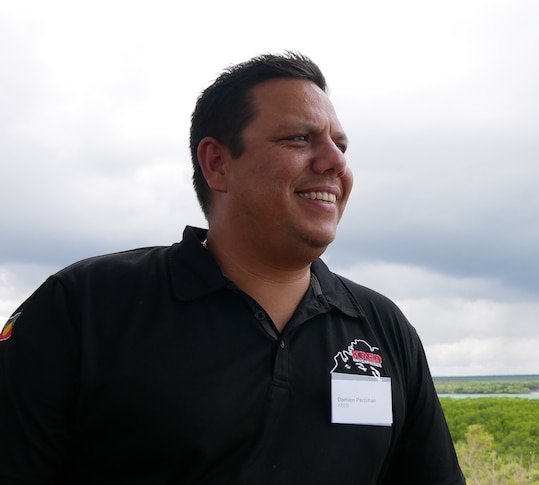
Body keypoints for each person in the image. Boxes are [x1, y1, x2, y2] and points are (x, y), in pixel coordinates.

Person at [0, 52, 465, 485]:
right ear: (217, 163)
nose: (335, 163)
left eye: (340, 145)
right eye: (299, 139)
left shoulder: (383, 328)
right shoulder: (84, 307)